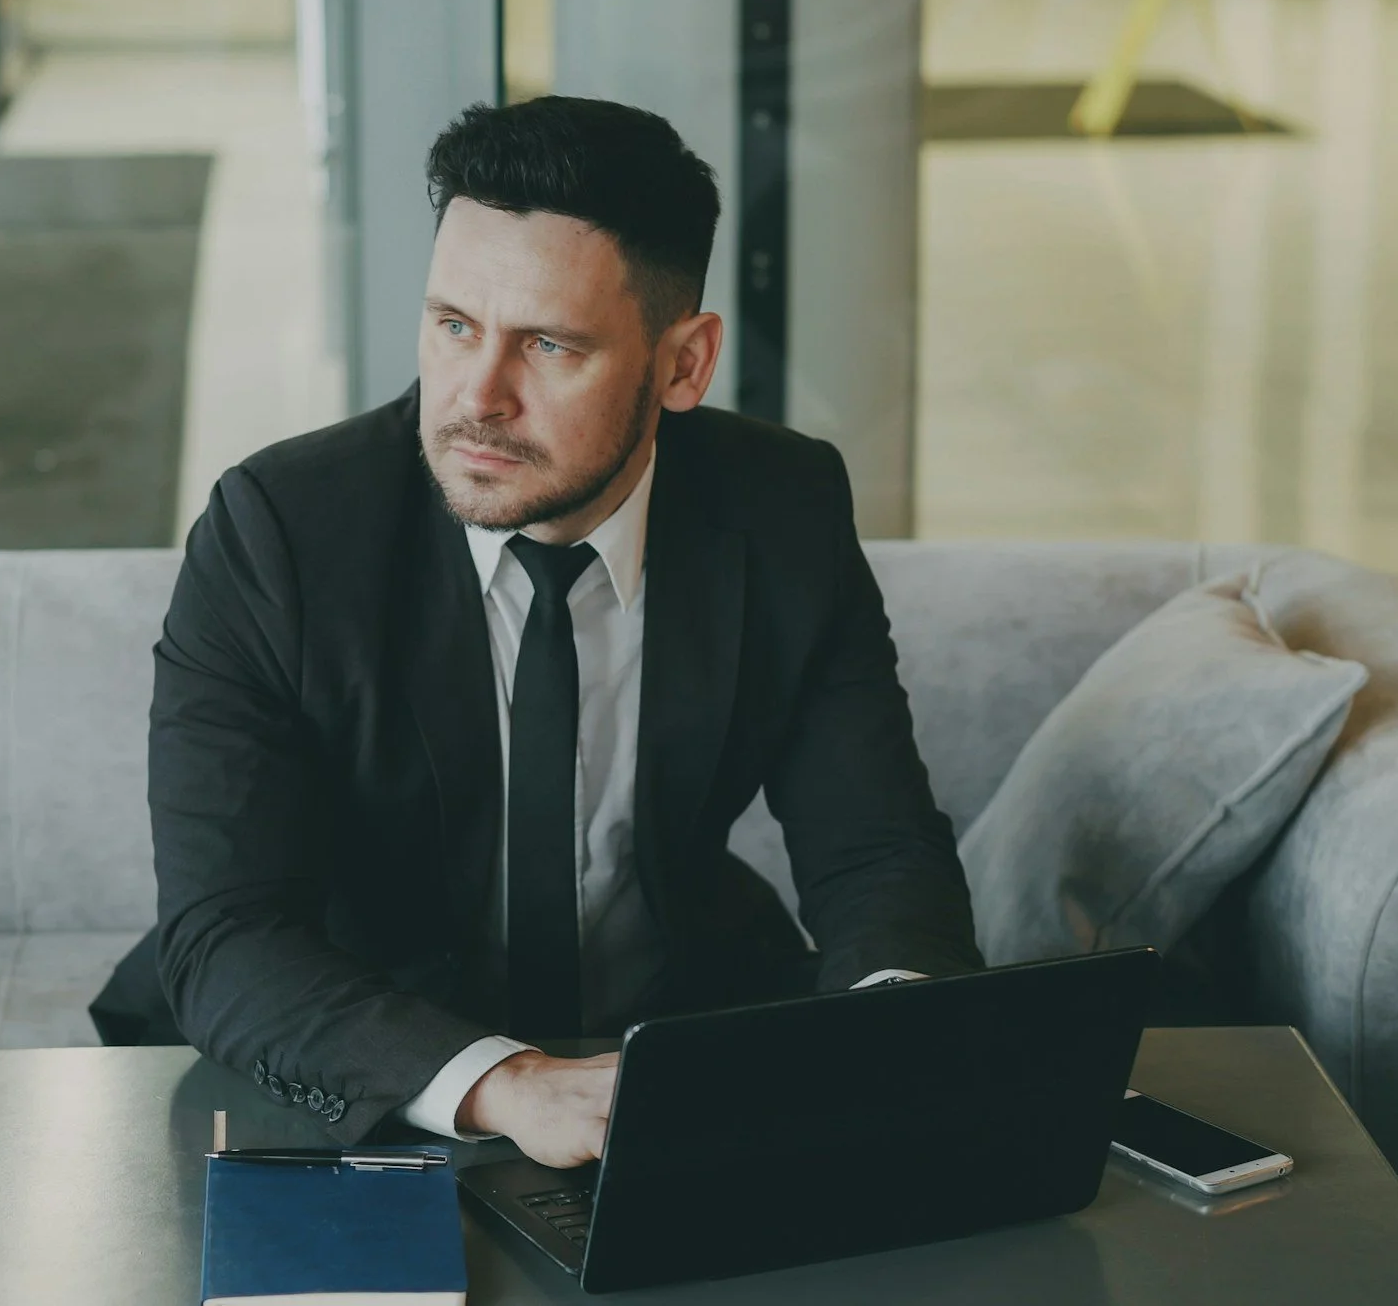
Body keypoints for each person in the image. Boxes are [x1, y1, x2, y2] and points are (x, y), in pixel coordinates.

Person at [90, 95, 979, 1168]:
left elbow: (874, 846)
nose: (477, 397)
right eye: (453, 326)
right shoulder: (278, 532)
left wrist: (897, 1033)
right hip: (361, 1065)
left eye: (550, 346)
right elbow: (228, 933)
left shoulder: (780, 506)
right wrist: (503, 1085)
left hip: (668, 1049)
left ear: (683, 364)